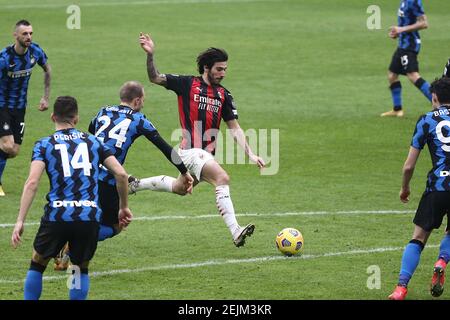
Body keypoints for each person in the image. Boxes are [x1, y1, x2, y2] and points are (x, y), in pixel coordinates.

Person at [138, 33, 266, 247]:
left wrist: (250, 153)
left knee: (180, 188)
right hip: (190, 151)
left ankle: (135, 185)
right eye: (219, 69)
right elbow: (155, 77)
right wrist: (150, 55)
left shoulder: (224, 95)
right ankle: (235, 230)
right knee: (222, 178)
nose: (223, 73)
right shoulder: (187, 84)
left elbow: (234, 127)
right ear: (206, 67)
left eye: (225, 69)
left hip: (204, 155)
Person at [11, 96, 132, 300]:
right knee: (79, 268)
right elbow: (121, 174)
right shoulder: (94, 142)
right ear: (76, 118)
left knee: (37, 263)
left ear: (52, 117)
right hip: (88, 215)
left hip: (57, 215)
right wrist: (123, 207)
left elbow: (32, 182)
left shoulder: (44, 145)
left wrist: (20, 220)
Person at [388, 77, 450, 300]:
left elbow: (409, 166)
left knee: (418, 238)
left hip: (437, 186)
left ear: (434, 98)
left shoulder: (426, 120)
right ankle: (442, 260)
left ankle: (400, 288)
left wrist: (405, 188)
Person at [0, 20, 51, 196]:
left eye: (30, 33)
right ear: (15, 35)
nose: (28, 37)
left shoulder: (35, 51)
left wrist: (45, 97)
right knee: (7, 145)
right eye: (25, 34)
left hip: (20, 107)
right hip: (2, 106)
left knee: (13, 151)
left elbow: (47, 69)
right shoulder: (5, 58)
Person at [381, 0, 431, 117]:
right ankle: (397, 109)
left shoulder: (413, 1)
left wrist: (401, 30)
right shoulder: (404, 1)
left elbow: (424, 23)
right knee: (392, 75)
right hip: (402, 45)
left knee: (413, 75)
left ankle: (442, 106)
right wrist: (397, 32)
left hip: (410, 46)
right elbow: (406, 22)